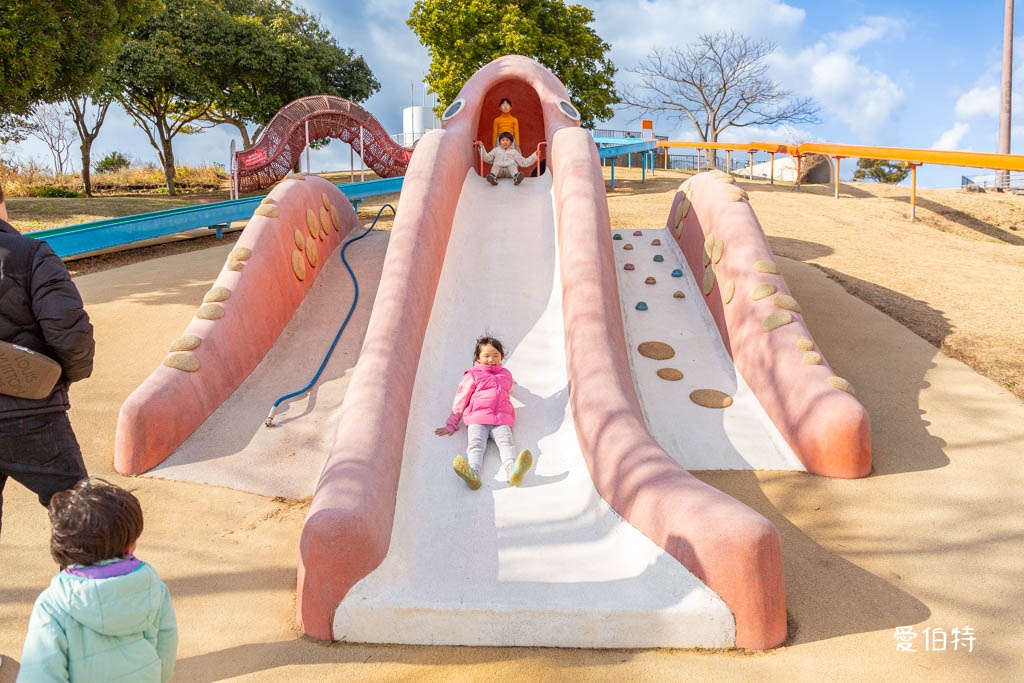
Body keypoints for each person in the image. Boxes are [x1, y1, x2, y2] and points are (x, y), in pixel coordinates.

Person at [18, 477, 178, 682]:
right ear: (130, 546)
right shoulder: (154, 589)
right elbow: (166, 650)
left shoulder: (53, 604)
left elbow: (40, 674)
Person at [0, 217, 94, 536]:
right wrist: (67, 376)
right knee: (79, 516)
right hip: (30, 415)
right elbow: (70, 334)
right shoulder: (30, 254)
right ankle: (95, 583)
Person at [435, 336, 533, 490]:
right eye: (486, 356)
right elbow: (461, 398)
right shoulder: (473, 374)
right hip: (478, 419)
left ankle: (512, 470)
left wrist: (514, 385)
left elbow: (510, 386)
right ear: (478, 358)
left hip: (501, 420)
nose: (491, 360)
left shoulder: (505, 374)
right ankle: (473, 473)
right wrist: (451, 424)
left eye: (495, 356)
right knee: (476, 445)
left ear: (501, 356)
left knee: (506, 444)